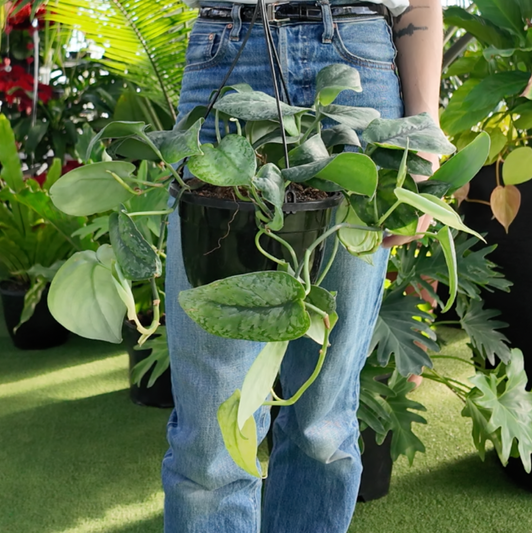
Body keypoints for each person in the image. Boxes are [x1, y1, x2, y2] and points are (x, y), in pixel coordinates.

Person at [162, 0, 442, 531]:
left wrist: (421, 134)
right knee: (210, 438)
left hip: (359, 62)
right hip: (228, 53)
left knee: (323, 424)